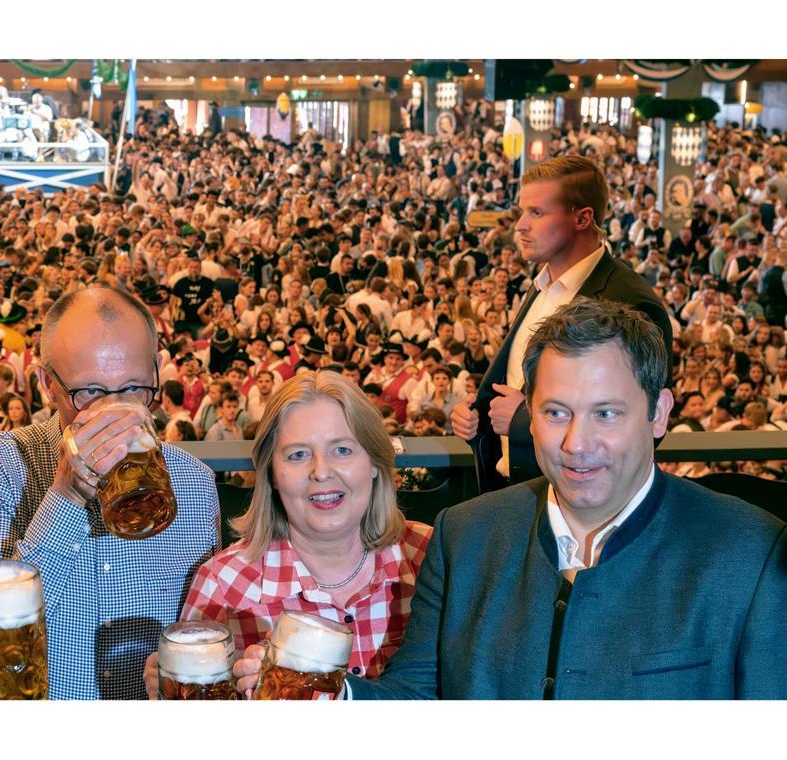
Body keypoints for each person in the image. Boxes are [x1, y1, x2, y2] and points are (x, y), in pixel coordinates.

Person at [340, 299, 785, 699]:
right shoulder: (463, 535)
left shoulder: (751, 554)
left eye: (606, 413)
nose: (577, 442)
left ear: (659, 412)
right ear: (528, 415)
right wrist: (330, 694)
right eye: (556, 413)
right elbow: (415, 702)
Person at [0, 286, 220, 699]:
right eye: (89, 392)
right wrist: (66, 495)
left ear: (156, 372)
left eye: (133, 389)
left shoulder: (195, 484)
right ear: (46, 384)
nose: (113, 413)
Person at [142, 371, 432, 698]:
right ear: (272, 475)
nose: (321, 471)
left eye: (342, 450)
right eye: (298, 455)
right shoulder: (223, 584)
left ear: (376, 462)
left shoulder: (432, 555)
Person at [451, 155, 674, 493]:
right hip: (517, 491)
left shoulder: (628, 301)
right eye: (523, 212)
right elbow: (515, 388)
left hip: (577, 500)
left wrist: (524, 422)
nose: (520, 225)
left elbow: (639, 427)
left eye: (537, 213)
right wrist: (476, 415)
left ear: (583, 217)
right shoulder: (541, 286)